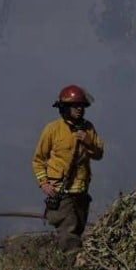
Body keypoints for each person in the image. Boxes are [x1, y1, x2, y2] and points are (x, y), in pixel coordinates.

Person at [32, 85, 103, 251]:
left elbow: (99, 154)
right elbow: (38, 160)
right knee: (68, 231)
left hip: (81, 191)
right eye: (75, 105)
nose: (79, 109)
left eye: (81, 106)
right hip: (61, 191)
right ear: (64, 107)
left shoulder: (88, 128)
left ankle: (62, 264)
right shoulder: (52, 129)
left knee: (77, 230)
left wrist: (88, 142)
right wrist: (44, 183)